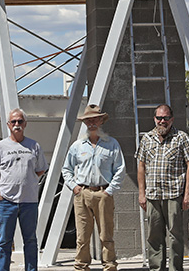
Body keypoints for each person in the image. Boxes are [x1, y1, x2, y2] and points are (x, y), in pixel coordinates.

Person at [62, 104, 126, 271]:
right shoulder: (77, 146)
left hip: (103, 193)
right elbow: (66, 168)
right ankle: (81, 266)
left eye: (95, 119)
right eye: (88, 120)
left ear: (100, 121)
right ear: (84, 123)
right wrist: (74, 187)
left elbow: (120, 168)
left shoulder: (112, 144)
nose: (92, 123)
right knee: (82, 236)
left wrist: (109, 190)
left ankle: (109, 266)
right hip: (83, 194)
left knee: (106, 235)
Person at [136, 103, 189, 271]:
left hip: (174, 195)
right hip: (153, 196)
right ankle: (157, 268)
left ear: (172, 119)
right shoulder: (147, 138)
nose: (162, 121)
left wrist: (187, 195)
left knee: (175, 236)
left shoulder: (181, 137)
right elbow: (141, 167)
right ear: (154, 119)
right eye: (159, 118)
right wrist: (141, 194)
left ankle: (175, 269)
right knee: (154, 236)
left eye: (166, 118)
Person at [0, 108, 48, 271]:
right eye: (13, 121)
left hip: (29, 202)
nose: (17, 124)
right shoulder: (0, 147)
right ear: (8, 124)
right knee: (4, 241)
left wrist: (27, 179)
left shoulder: (34, 146)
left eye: (20, 121)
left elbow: (41, 169)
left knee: (31, 241)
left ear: (25, 124)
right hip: (6, 202)